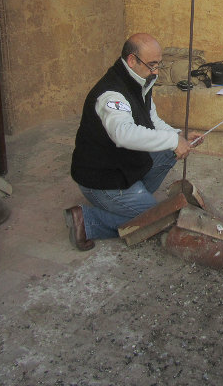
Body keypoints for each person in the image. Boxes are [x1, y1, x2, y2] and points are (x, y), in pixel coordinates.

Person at [65, 33, 203, 250]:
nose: (156, 71)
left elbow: (152, 120)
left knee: (169, 150)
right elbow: (123, 133)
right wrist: (172, 140)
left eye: (159, 64)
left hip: (124, 167)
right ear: (132, 60)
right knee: (161, 218)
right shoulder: (112, 94)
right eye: (152, 65)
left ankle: (132, 201)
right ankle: (88, 220)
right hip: (103, 179)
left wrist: (178, 136)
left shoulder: (140, 81)